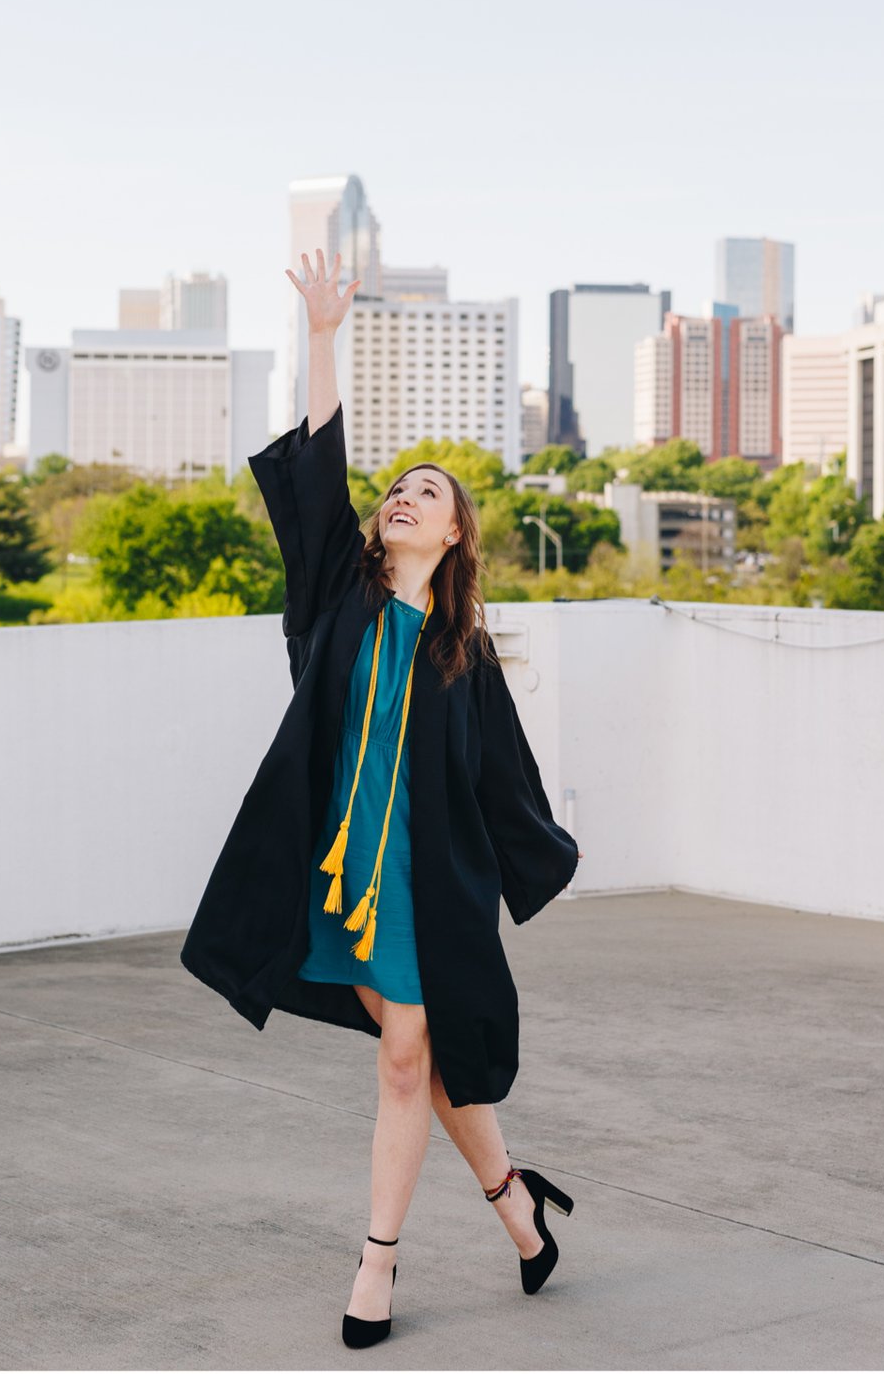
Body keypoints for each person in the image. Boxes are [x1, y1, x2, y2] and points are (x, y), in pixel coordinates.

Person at [180, 249, 586, 1349]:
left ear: (455, 535)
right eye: (400, 488)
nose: (407, 496)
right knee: (426, 1052)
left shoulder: (463, 652)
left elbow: (505, 781)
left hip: (417, 883)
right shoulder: (338, 600)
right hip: (330, 870)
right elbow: (318, 472)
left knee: (407, 1053)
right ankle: (516, 1205)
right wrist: (321, 338)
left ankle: (376, 1267)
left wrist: (540, 860)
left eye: (431, 495)